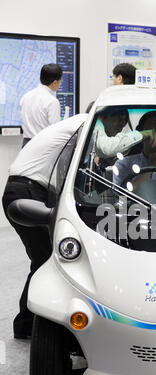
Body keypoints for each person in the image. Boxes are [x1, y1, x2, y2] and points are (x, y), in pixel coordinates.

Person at [2, 113, 87, 339]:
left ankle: (30, 323)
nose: (116, 129)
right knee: (46, 260)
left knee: (43, 258)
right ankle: (27, 325)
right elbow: (106, 150)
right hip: (26, 192)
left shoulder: (71, 125)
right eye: (116, 123)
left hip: (25, 189)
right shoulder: (83, 124)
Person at [20, 63, 63, 147]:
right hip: (42, 145)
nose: (60, 84)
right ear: (54, 83)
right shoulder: (52, 102)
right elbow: (55, 131)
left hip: (26, 145)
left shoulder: (26, 97)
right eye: (60, 81)